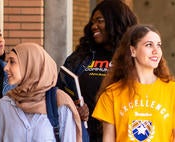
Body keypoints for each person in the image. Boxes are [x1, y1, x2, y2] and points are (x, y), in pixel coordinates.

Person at [91, 25, 175, 142]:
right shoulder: (112, 93)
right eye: (149, 45)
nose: (156, 50)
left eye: (158, 45)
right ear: (133, 51)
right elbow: (108, 139)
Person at [56, 1, 137, 141]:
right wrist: (73, 106)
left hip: (122, 133)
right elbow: (60, 91)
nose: (94, 26)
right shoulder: (81, 56)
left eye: (100, 21)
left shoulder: (134, 57)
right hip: (85, 133)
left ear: (116, 22)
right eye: (92, 22)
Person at [0, 43, 82, 142]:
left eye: (12, 62)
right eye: (7, 62)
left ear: (30, 64)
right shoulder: (5, 104)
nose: (6, 68)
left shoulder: (59, 103)